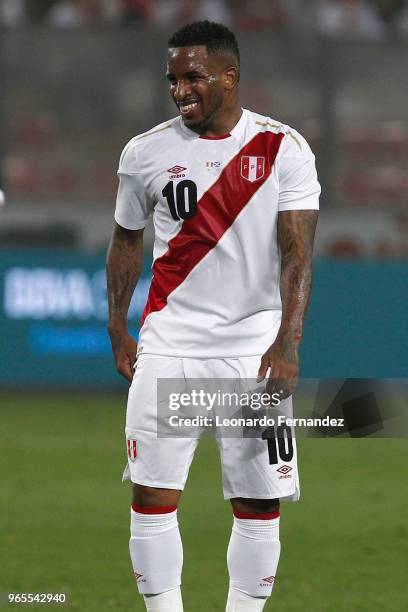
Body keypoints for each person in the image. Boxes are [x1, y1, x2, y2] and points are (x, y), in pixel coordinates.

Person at [107, 20, 320, 612]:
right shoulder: (145, 152)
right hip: (169, 344)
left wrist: (287, 344)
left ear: (230, 76)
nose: (180, 90)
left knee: (257, 503)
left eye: (193, 77)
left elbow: (298, 255)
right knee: (152, 495)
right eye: (172, 79)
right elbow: (126, 241)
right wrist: (117, 326)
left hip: (252, 351)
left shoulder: (284, 149)